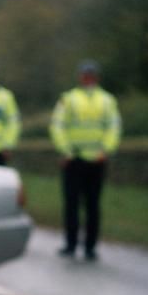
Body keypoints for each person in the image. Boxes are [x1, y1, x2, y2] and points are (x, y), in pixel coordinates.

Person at [49, 60, 121, 260]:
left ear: (96, 77)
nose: (88, 78)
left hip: (97, 160)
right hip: (73, 158)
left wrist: (106, 150)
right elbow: (57, 125)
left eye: (91, 75)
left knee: (93, 205)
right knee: (71, 204)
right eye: (85, 74)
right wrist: (66, 150)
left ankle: (90, 247)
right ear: (80, 76)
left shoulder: (107, 100)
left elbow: (113, 127)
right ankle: (70, 244)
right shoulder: (69, 99)